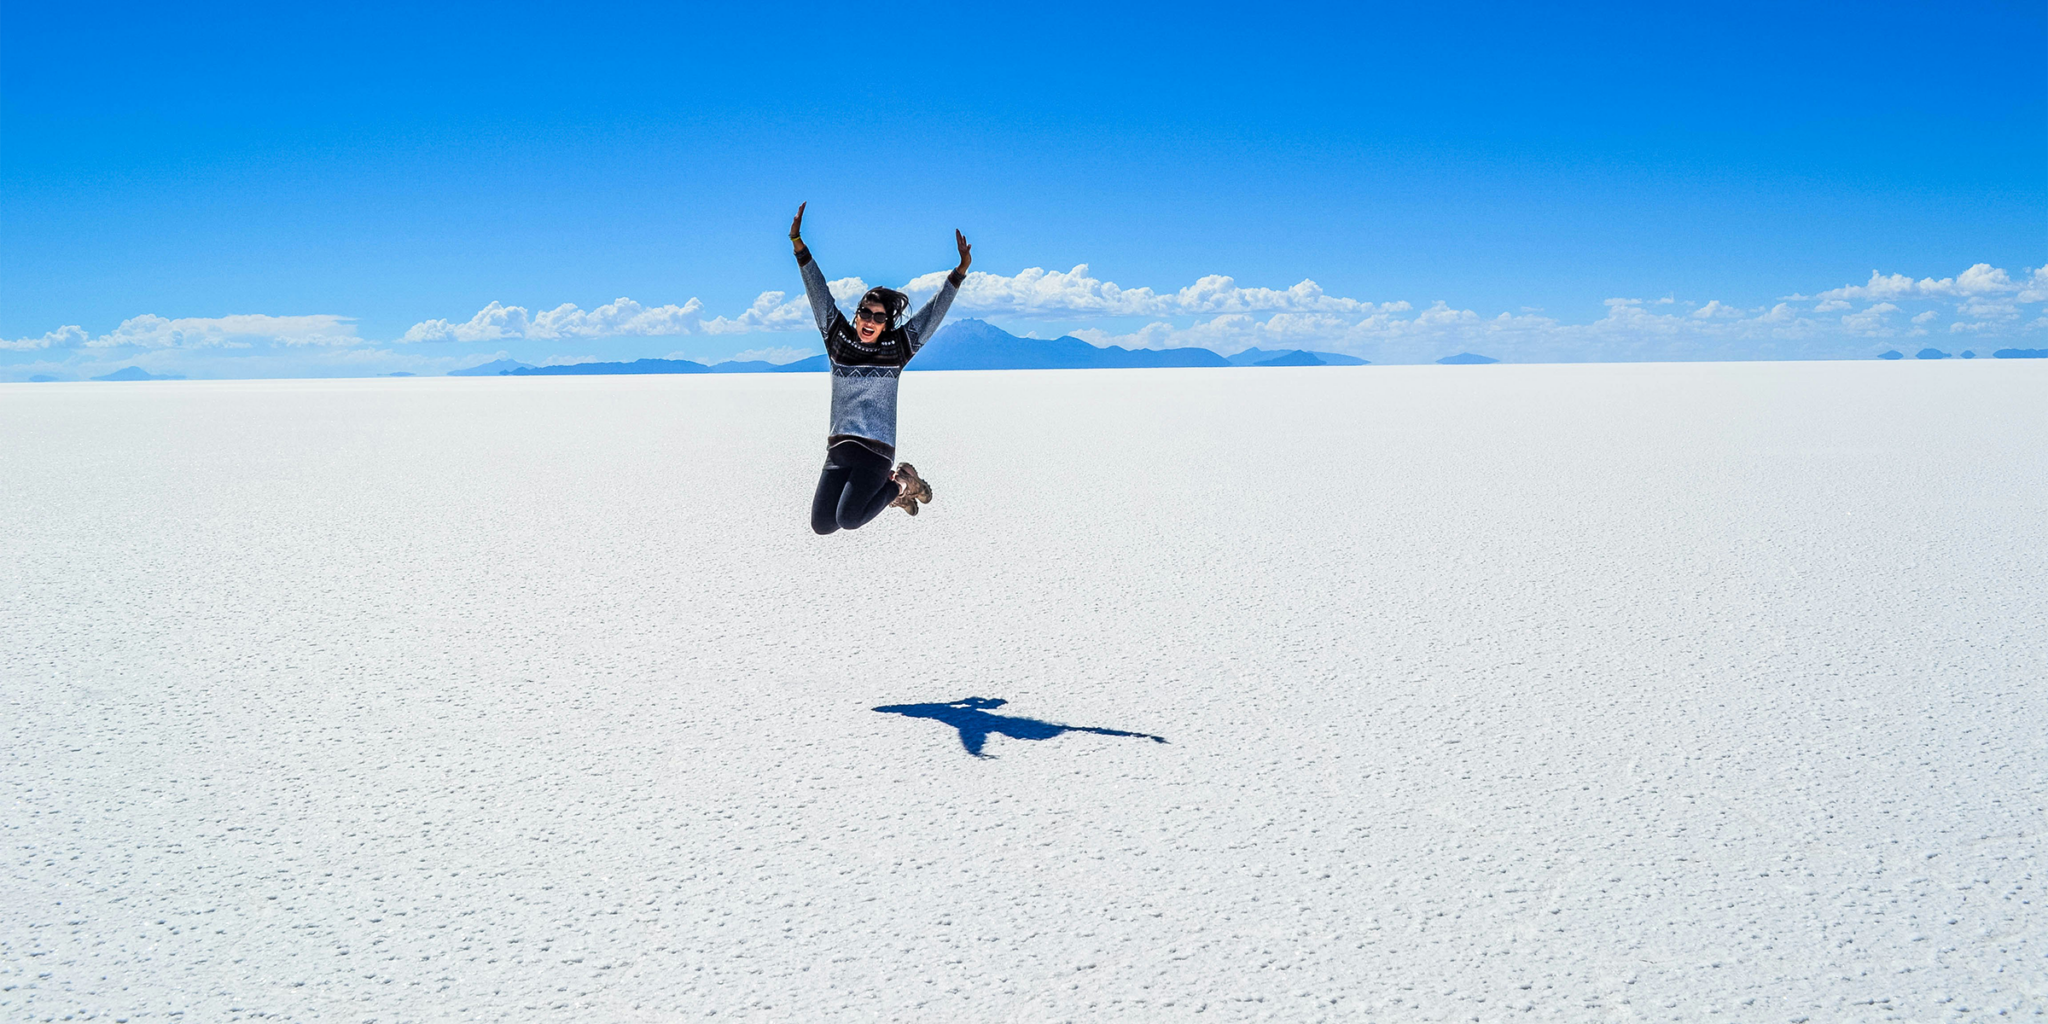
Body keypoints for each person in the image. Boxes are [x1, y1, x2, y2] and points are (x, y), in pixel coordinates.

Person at [790, 202, 971, 535]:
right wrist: (799, 247)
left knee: (850, 518)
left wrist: (958, 274)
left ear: (886, 324)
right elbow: (819, 295)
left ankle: (902, 485)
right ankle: (895, 492)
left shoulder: (895, 349)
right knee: (822, 525)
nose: (870, 321)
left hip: (876, 451)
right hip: (839, 448)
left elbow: (931, 316)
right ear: (856, 315)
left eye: (878, 317)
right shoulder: (838, 340)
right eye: (865, 313)